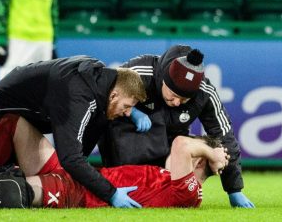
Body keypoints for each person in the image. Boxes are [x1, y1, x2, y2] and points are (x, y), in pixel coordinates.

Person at [0, 115, 229, 209]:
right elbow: (184, 147)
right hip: (74, 175)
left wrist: (214, 152)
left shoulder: (188, 192)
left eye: (199, 151)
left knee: (9, 191)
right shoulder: (174, 180)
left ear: (199, 162)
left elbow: (181, 143)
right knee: (16, 124)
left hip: (76, 194)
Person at [0, 56, 148, 208]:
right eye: (127, 107)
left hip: (20, 125)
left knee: (22, 190)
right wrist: (111, 194)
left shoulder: (96, 85)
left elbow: (80, 153)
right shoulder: (81, 96)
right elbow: (71, 158)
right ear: (114, 95)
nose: (127, 113)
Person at [99, 45, 256, 208]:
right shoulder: (140, 72)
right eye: (173, 95)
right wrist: (132, 111)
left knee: (158, 195)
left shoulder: (205, 93)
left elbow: (224, 135)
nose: (176, 103)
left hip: (168, 144)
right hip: (126, 135)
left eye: (184, 100)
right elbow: (106, 93)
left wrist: (234, 189)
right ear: (164, 80)